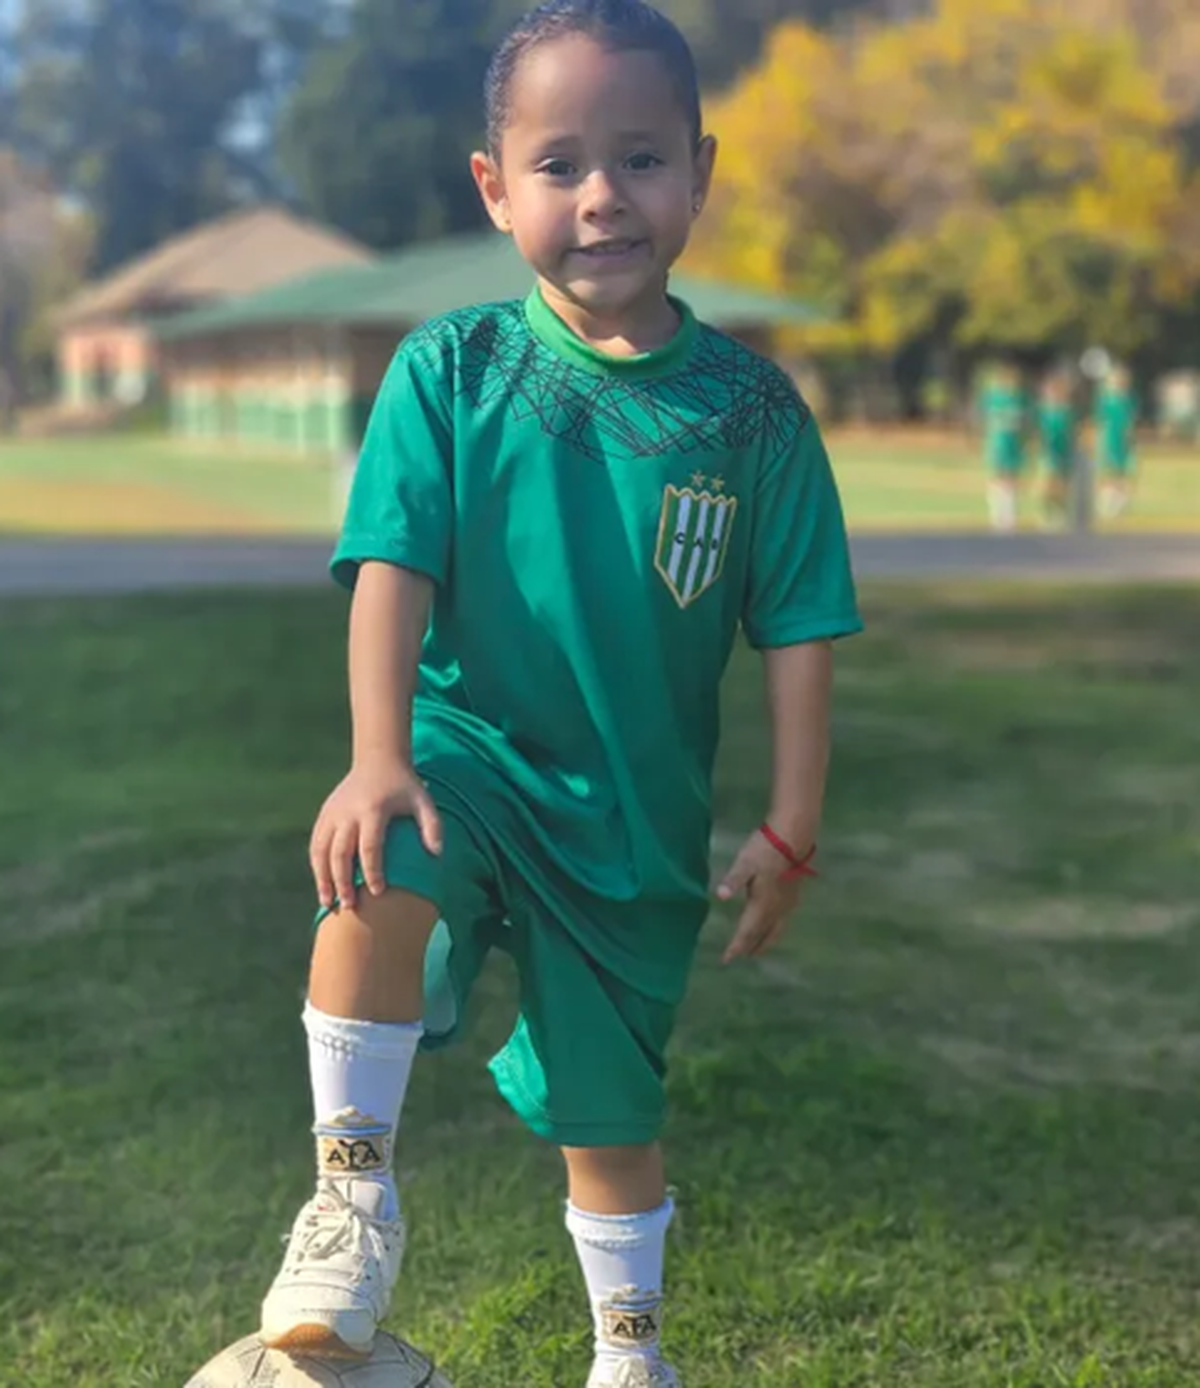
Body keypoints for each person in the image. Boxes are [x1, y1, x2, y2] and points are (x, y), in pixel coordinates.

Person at [256, 3, 862, 1385]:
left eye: (641, 158)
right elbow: (392, 566)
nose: (603, 196)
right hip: (465, 756)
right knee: (374, 871)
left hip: (632, 825)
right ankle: (350, 1197)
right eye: (560, 163)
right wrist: (378, 754)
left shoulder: (755, 416)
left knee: (612, 1115)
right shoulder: (451, 367)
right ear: (494, 187)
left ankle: (629, 1356)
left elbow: (801, 630)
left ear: (700, 173)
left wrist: (792, 823)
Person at [978, 360, 1029, 532]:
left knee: (1012, 477)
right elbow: (985, 418)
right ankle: (996, 513)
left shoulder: (1020, 398)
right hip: (998, 442)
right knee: (998, 476)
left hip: (1014, 443)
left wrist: (1025, 442)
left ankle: (1009, 514)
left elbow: (1024, 423)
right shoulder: (993, 397)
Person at [1035, 369, 1077, 529]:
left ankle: (1062, 513)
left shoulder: (1067, 412)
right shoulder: (1042, 411)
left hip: (1064, 454)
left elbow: (1072, 434)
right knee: (1047, 485)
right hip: (1048, 454)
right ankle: (1047, 513)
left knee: (1063, 486)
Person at [1095, 364, 1138, 520]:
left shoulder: (1127, 399)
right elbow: (1100, 421)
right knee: (1108, 472)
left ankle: (1119, 502)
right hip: (1109, 440)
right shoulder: (1106, 399)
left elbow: (1130, 423)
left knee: (1122, 473)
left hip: (1122, 442)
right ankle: (1109, 502)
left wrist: (1130, 439)